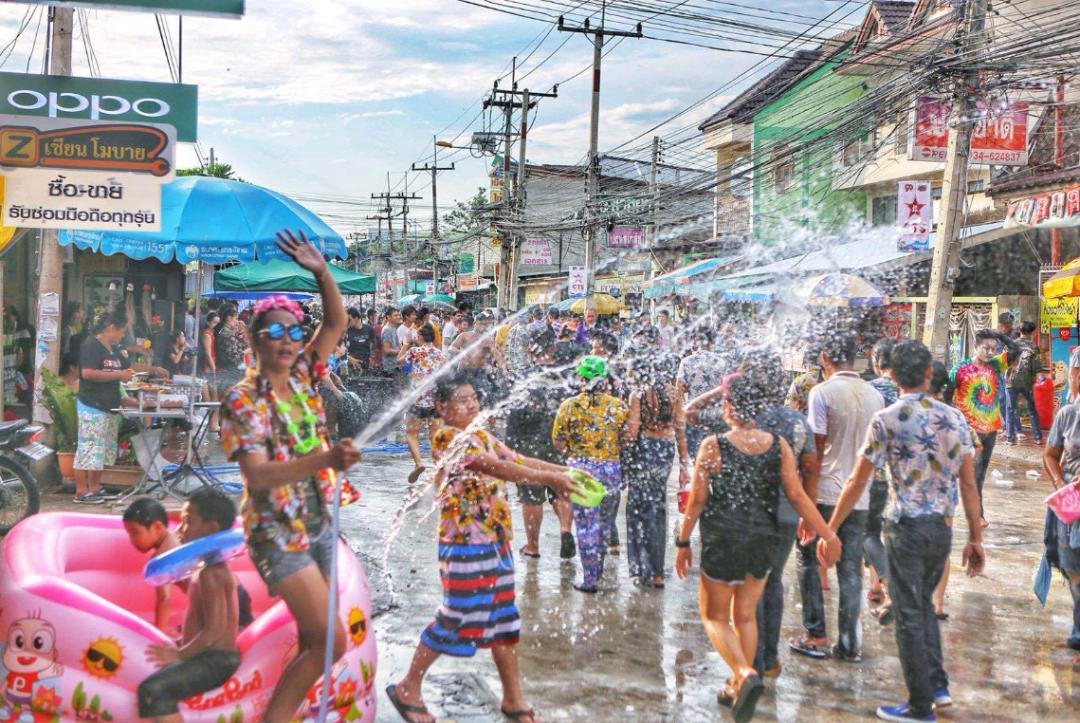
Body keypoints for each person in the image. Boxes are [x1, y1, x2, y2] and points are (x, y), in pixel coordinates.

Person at [219, 230, 364, 722]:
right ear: (256, 339)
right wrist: (325, 462)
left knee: (312, 640)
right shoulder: (242, 399)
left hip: (319, 523)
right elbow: (257, 476)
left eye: (293, 332)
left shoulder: (305, 375)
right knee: (333, 642)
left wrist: (321, 272)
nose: (286, 341)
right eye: (274, 332)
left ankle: (289, 708)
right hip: (278, 534)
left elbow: (337, 320)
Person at [387, 376, 580, 723]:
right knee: (456, 614)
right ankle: (407, 688)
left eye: (474, 398)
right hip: (463, 545)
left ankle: (513, 699)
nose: (472, 405)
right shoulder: (447, 436)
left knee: (505, 619)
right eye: (462, 400)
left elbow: (517, 458)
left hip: (496, 540)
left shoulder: (480, 433)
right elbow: (497, 468)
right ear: (442, 408)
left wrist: (565, 471)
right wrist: (552, 480)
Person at [819, 340, 985, 722]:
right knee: (922, 605)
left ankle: (919, 705)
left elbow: (857, 482)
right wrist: (975, 537)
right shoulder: (954, 418)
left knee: (910, 613)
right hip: (941, 528)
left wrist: (831, 528)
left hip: (904, 527)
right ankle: (938, 686)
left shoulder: (888, 419)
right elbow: (969, 485)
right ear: (929, 374)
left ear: (891, 375)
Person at [675, 373, 839, 722]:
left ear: (730, 406)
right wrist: (828, 532)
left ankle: (743, 674)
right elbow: (796, 496)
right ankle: (738, 685)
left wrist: (683, 540)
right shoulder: (778, 445)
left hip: (723, 539)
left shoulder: (713, 445)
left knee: (714, 616)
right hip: (763, 540)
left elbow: (697, 501)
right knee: (746, 615)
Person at [788, 332, 883, 663]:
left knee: (807, 558)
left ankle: (815, 635)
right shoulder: (873, 395)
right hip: (859, 494)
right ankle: (849, 643)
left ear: (825, 358)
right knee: (850, 567)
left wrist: (806, 504)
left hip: (826, 491)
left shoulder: (822, 393)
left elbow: (814, 455)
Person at [137, 488, 242, 723]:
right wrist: (181, 640)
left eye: (187, 522)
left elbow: (215, 630)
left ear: (212, 528)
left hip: (217, 660)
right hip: (209, 655)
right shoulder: (207, 567)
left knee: (153, 691)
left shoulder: (211, 573)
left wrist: (180, 655)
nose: (179, 529)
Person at [75, 307, 168, 504]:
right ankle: (82, 492)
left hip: (110, 405)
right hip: (92, 404)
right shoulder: (92, 346)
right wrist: (118, 375)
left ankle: (95, 489)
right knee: (89, 449)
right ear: (111, 328)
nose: (123, 335)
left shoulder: (114, 350)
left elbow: (130, 367)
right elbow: (88, 373)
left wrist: (154, 369)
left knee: (102, 451)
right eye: (122, 331)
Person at [552, 356, 628, 593]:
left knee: (585, 526)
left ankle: (590, 579)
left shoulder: (569, 406)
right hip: (610, 468)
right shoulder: (618, 407)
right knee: (605, 523)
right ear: (605, 380)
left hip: (581, 470)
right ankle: (600, 567)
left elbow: (557, 440)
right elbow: (626, 438)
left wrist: (571, 455)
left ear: (581, 379)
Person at [504, 327, 577, 560]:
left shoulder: (523, 378)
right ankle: (565, 529)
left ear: (529, 350)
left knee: (531, 497)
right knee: (560, 491)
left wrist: (509, 449)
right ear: (553, 348)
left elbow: (513, 416)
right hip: (558, 442)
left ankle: (533, 546)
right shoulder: (564, 378)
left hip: (528, 445)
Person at [622, 356, 688, 588]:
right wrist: (683, 466)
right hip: (665, 450)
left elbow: (632, 432)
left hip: (644, 448)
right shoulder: (674, 394)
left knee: (637, 508)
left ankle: (641, 571)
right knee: (657, 508)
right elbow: (680, 428)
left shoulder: (638, 395)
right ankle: (658, 573)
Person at [949, 328, 1020, 526]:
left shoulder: (996, 365)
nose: (990, 352)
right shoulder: (960, 369)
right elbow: (946, 398)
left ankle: (971, 512)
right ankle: (976, 515)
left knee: (977, 474)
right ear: (975, 346)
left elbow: (1016, 350)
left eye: (993, 349)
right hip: (969, 432)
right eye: (986, 348)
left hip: (990, 431)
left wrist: (999, 335)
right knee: (974, 474)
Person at [1043, 393, 1080, 666]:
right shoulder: (1068, 414)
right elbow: (1050, 454)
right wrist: (1059, 483)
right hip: (1070, 499)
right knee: (1072, 568)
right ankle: (1077, 635)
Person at [866, 338, 900, 621]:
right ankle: (876, 585)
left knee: (869, 532)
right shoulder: (906, 389)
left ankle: (888, 587)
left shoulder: (870, 391)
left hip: (874, 473)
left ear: (876, 362)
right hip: (902, 477)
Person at [123, 496, 182, 633]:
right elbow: (186, 513)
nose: (132, 540)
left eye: (136, 532)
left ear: (157, 527)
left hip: (215, 606)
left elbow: (164, 599)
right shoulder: (179, 533)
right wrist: (156, 514)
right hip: (232, 595)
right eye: (129, 533)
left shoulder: (161, 558)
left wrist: (158, 636)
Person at [398, 324, 447, 483]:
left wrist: (406, 344)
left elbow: (399, 361)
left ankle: (419, 463)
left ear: (420, 337)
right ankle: (438, 468)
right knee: (434, 437)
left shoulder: (414, 352)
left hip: (417, 399)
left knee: (411, 434)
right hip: (434, 399)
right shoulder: (440, 355)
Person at [677, 328, 727, 458]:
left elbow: (679, 392)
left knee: (697, 458)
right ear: (714, 341)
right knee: (716, 457)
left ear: (696, 340)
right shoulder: (722, 362)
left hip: (693, 414)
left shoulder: (687, 362)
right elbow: (728, 391)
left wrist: (677, 416)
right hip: (717, 415)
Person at [449, 311, 507, 405]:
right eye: (481, 324)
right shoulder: (464, 335)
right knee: (462, 395)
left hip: (479, 372)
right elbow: (451, 348)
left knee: (482, 397)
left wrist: (504, 369)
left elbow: (497, 355)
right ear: (475, 323)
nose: (483, 327)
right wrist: (461, 352)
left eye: (485, 325)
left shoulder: (488, 340)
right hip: (464, 370)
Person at [1004, 320, 1043, 446]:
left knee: (1010, 409)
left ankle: (1010, 439)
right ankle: (1037, 437)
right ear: (1032, 332)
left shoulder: (1010, 345)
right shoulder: (1034, 347)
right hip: (1027, 382)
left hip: (1011, 381)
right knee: (1032, 409)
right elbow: (1036, 368)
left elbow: (1004, 361)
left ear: (1020, 331)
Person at [213, 304, 247, 396]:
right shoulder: (226, 334)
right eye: (236, 319)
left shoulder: (230, 333)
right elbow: (234, 357)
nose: (237, 322)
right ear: (229, 318)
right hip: (230, 372)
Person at [785, 346, 822, 414]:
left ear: (805, 361)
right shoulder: (831, 379)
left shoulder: (800, 381)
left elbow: (788, 408)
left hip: (805, 421)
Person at [345, 307, 375, 374]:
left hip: (366, 364)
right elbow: (337, 349)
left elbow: (374, 345)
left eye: (349, 319)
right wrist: (350, 358)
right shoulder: (346, 331)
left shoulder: (368, 329)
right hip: (352, 366)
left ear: (356, 318)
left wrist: (372, 358)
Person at [382, 307, 403, 376]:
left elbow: (397, 344)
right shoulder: (387, 330)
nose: (398, 317)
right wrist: (402, 351)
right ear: (388, 317)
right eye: (395, 315)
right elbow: (387, 350)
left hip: (395, 366)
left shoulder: (394, 327)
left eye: (399, 315)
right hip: (390, 368)